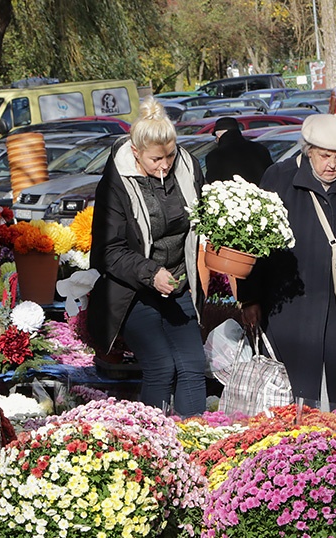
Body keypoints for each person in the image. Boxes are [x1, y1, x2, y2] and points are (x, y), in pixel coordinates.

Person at [239, 114, 336, 408]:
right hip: (289, 302)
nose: (333, 164)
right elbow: (256, 242)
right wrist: (250, 297)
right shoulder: (279, 177)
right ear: (308, 150)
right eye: (325, 156)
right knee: (291, 394)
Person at [86, 97, 207, 417]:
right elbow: (108, 250)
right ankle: (156, 444)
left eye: (170, 155)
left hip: (178, 281)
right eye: (156, 159)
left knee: (194, 366)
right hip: (132, 289)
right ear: (136, 152)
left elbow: (203, 219)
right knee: (161, 365)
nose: (165, 165)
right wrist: (150, 273)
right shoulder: (116, 182)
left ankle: (194, 444)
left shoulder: (188, 166)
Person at [204, 116, 274, 185]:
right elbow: (271, 174)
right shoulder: (259, 148)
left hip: (232, 195)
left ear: (218, 136)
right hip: (262, 194)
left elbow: (214, 183)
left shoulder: (215, 155)